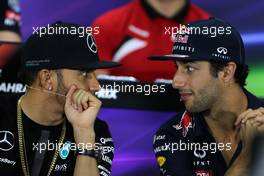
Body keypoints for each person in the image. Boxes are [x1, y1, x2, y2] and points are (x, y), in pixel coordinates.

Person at [0, 22, 120, 176]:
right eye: (84, 73)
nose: (96, 86)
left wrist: (84, 135)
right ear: (47, 79)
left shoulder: (95, 131)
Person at [149, 17, 264, 175]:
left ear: (226, 72)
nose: (176, 82)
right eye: (176, 67)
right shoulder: (172, 135)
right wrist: (248, 156)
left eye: (189, 68)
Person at [92, 0, 209, 82]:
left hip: (190, 115)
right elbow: (96, 87)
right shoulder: (107, 25)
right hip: (123, 114)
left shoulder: (209, 30)